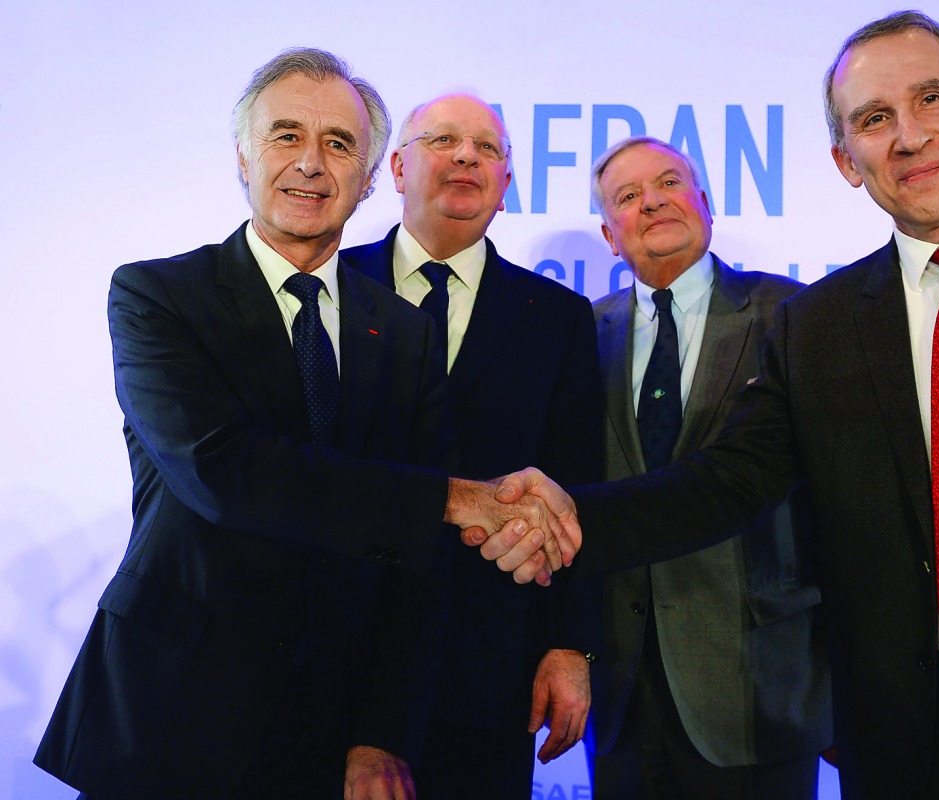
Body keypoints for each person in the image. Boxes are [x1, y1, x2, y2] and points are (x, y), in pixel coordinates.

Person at [475, 12, 939, 800]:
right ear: (847, 161)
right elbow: (725, 483)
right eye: (875, 119)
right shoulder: (818, 324)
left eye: (932, 98)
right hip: (914, 737)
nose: (910, 137)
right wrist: (567, 517)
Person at [33, 49, 573, 800]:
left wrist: (381, 732)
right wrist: (452, 498)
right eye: (286, 135)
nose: (311, 163)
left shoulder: (405, 331)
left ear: (369, 176)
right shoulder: (159, 295)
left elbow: (416, 567)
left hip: (330, 731)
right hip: (170, 714)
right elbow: (228, 474)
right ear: (243, 157)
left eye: (339, 143)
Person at [341, 93, 603, 799]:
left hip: (490, 665)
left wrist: (568, 645)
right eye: (443, 140)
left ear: (506, 183)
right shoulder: (327, 287)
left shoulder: (557, 317)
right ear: (398, 168)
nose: (466, 156)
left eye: (487, 148)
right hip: (334, 655)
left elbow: (578, 486)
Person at [585, 136, 831, 799]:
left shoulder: (793, 314)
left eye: (669, 183)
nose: (653, 202)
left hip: (761, 685)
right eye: (628, 196)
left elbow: (839, 500)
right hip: (621, 691)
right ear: (609, 236)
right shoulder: (581, 333)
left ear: (706, 205)